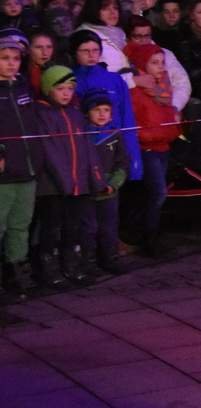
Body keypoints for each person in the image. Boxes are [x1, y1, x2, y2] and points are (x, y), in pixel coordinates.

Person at [31, 64, 109, 291]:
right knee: (51, 227)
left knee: (72, 227)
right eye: (60, 88)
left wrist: (96, 178)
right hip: (53, 186)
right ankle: (47, 268)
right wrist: (67, 183)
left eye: (70, 88)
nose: (66, 93)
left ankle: (70, 265)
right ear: (48, 89)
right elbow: (50, 151)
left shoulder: (75, 114)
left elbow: (87, 149)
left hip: (78, 185)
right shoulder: (41, 113)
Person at [124, 41, 179, 257]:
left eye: (162, 63)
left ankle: (147, 233)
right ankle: (150, 239)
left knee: (153, 194)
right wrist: (146, 135)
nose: (161, 67)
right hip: (147, 148)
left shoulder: (163, 87)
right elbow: (132, 121)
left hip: (163, 145)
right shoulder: (137, 91)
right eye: (154, 63)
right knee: (158, 193)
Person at [69, 31, 142, 184]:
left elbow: (127, 118)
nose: (91, 55)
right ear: (74, 53)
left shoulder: (114, 80)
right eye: (85, 51)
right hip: (84, 147)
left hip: (114, 147)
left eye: (95, 50)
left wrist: (133, 161)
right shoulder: (69, 80)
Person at [0, 33, 40, 298]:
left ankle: (17, 274)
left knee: (20, 225)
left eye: (16, 58)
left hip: (27, 170)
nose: (11, 63)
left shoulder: (24, 87)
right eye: (4, 58)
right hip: (3, 174)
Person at [79, 90, 129, 275]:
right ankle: (88, 262)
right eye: (97, 110)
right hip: (87, 191)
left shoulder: (115, 135)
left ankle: (110, 258)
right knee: (88, 228)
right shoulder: (82, 135)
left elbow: (123, 162)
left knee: (108, 227)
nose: (102, 114)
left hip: (109, 192)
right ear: (86, 113)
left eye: (106, 110)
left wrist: (114, 184)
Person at [124, 15, 191, 113]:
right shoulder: (122, 57)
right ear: (128, 37)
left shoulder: (165, 54)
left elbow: (182, 84)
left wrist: (173, 108)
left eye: (147, 36)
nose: (144, 41)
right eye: (138, 36)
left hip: (167, 112)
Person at [75, 0, 130, 74]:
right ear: (94, 11)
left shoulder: (121, 34)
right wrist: (132, 81)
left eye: (115, 8)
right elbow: (89, 75)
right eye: (105, 8)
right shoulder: (85, 36)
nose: (113, 12)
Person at [25, 31, 61, 96]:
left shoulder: (59, 70)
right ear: (28, 49)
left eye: (49, 47)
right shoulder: (22, 74)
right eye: (38, 47)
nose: (45, 53)